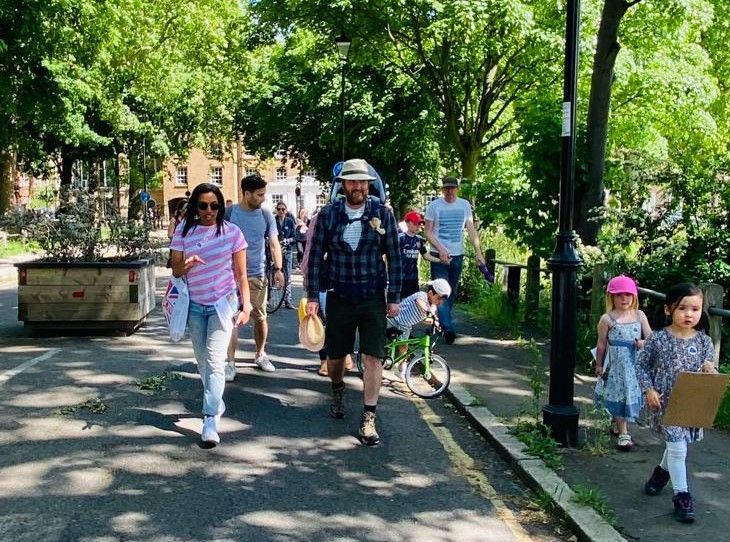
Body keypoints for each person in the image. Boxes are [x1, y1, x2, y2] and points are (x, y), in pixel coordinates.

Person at [306, 158, 402, 446]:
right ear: (343, 184)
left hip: (373, 296)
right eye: (352, 181)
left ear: (368, 184)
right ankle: (337, 388)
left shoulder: (382, 214)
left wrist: (394, 296)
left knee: (373, 356)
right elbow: (313, 258)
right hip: (340, 295)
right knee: (336, 358)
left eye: (362, 181)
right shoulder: (329, 214)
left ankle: (369, 416)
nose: (357, 186)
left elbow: (395, 256)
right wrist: (312, 296)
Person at [169, 183, 250, 447]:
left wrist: (246, 306)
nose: (209, 211)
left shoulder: (232, 233)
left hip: (221, 305)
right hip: (194, 305)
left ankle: (209, 419)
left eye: (214, 206)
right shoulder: (184, 230)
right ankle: (216, 400)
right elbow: (176, 270)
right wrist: (187, 263)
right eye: (203, 205)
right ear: (195, 206)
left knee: (216, 362)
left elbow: (241, 275)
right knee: (202, 362)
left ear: (220, 207)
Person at [636, 283, 717, 523]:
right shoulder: (658, 339)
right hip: (664, 402)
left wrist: (709, 368)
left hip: (689, 403)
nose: (689, 314)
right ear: (669, 309)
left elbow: (711, 368)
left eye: (695, 308)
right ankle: (682, 496)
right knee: (679, 449)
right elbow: (641, 365)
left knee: (678, 446)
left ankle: (661, 473)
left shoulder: (704, 342)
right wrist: (648, 389)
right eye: (682, 308)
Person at [224, 173, 285, 378]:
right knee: (231, 319)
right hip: (230, 277)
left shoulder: (266, 215)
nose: (263, 198)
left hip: (257, 275)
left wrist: (278, 269)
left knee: (260, 317)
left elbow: (274, 243)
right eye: (259, 194)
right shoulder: (229, 213)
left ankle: (260, 354)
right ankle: (230, 362)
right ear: (247, 193)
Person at [424, 176, 486, 344]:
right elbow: (428, 232)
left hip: (457, 255)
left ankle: (442, 322)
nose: (449, 191)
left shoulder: (464, 205)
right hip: (438, 255)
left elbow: (471, 230)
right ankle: (448, 328)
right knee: (441, 291)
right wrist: (441, 249)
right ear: (442, 189)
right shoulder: (434, 206)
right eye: (447, 188)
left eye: (452, 188)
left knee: (451, 292)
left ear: (458, 189)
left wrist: (478, 252)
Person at [593, 275, 652, 450]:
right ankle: (624, 433)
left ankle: (616, 422)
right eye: (619, 295)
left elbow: (651, 337)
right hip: (618, 367)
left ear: (634, 296)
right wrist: (598, 364)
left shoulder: (639, 315)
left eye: (628, 294)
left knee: (630, 395)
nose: (624, 298)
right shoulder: (607, 319)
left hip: (635, 365)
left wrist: (643, 343)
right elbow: (601, 344)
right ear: (612, 297)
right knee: (619, 394)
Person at [387, 279, 451, 376]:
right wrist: (428, 310)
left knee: (404, 347)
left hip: (406, 326)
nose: (439, 302)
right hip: (394, 319)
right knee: (382, 336)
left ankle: (401, 368)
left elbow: (426, 320)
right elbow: (419, 302)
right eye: (438, 298)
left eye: (441, 300)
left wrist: (436, 323)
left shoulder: (433, 307)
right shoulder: (421, 295)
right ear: (430, 293)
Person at [399, 211, 439, 299]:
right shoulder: (400, 239)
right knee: (400, 303)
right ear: (408, 223)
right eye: (415, 223)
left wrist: (440, 260)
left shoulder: (419, 240)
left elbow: (426, 256)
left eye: (419, 224)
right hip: (400, 277)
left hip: (413, 277)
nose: (418, 226)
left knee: (413, 300)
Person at [275, 201, 296, 309]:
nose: (281, 211)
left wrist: (287, 241)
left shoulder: (290, 221)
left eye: (283, 209)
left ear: (286, 211)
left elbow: (295, 237)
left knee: (288, 276)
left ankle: (288, 300)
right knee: (273, 275)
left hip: (287, 251)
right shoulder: (273, 221)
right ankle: (271, 298)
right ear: (276, 210)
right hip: (275, 252)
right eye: (279, 209)